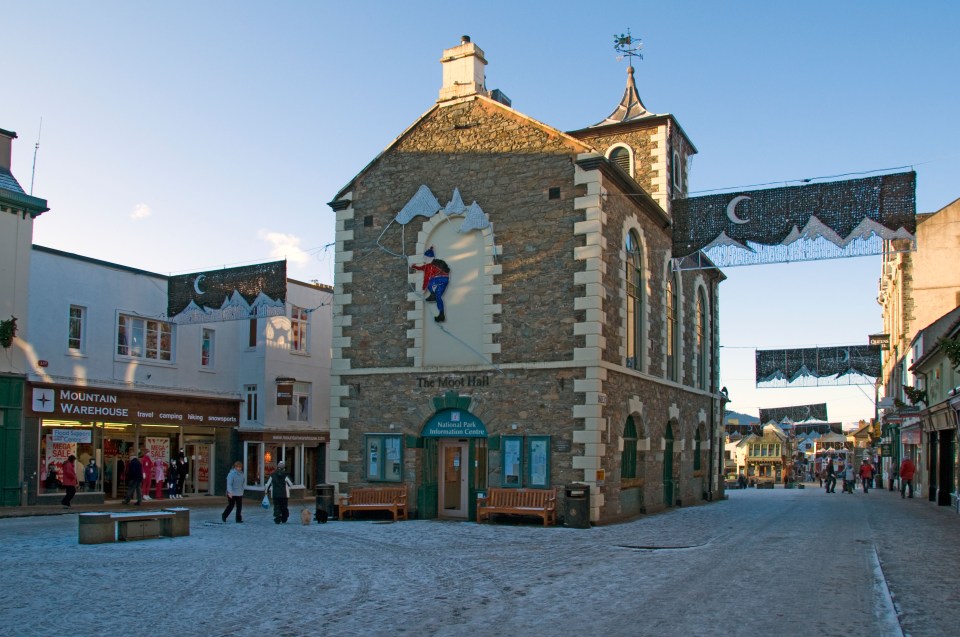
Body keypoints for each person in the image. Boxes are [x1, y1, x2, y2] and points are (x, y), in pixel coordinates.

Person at [410, 247, 451, 322]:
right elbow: (421, 268)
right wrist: (414, 266)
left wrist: (423, 290)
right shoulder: (427, 266)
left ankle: (433, 295)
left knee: (430, 282)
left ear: (427, 258)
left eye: (425, 258)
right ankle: (441, 314)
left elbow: (426, 280)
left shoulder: (429, 267)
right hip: (445, 279)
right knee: (438, 296)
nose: (424, 259)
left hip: (440, 279)